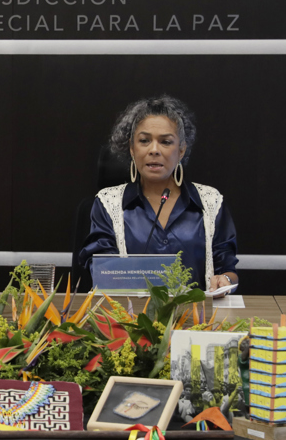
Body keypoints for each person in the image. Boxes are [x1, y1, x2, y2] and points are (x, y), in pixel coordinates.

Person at [78, 95, 238, 294]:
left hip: (197, 321)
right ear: (132, 148)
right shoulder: (108, 204)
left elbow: (228, 269)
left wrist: (224, 280)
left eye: (165, 142)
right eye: (144, 141)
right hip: (132, 320)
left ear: (181, 150)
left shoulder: (210, 201)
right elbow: (104, 272)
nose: (154, 150)